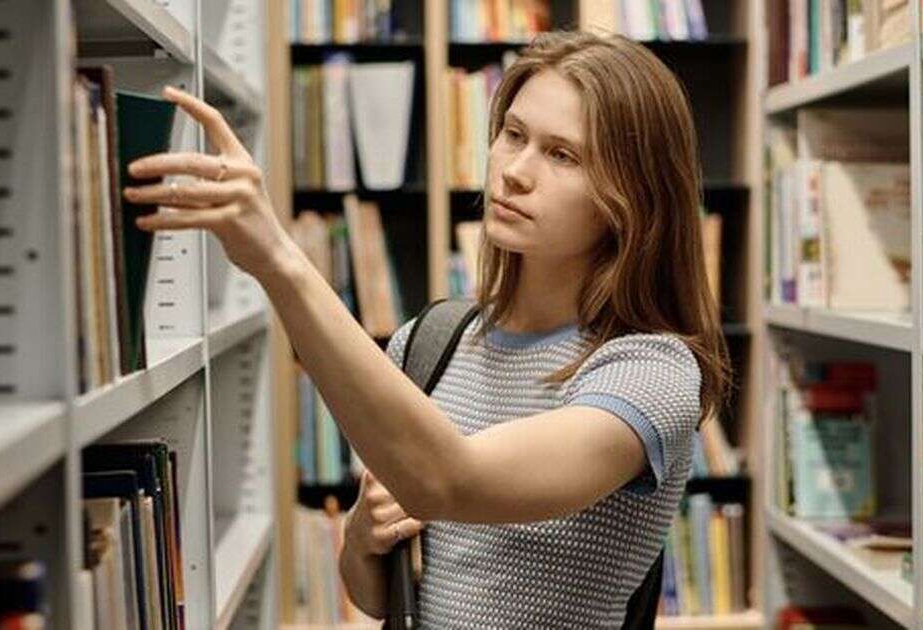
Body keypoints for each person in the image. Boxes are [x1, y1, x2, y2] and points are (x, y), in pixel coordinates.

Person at [126, 30, 729, 629]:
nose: (515, 172)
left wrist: (279, 260)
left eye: (563, 155)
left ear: (631, 196)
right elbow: (379, 596)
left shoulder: (651, 372)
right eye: (513, 135)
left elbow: (454, 479)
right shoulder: (433, 340)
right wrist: (364, 540)